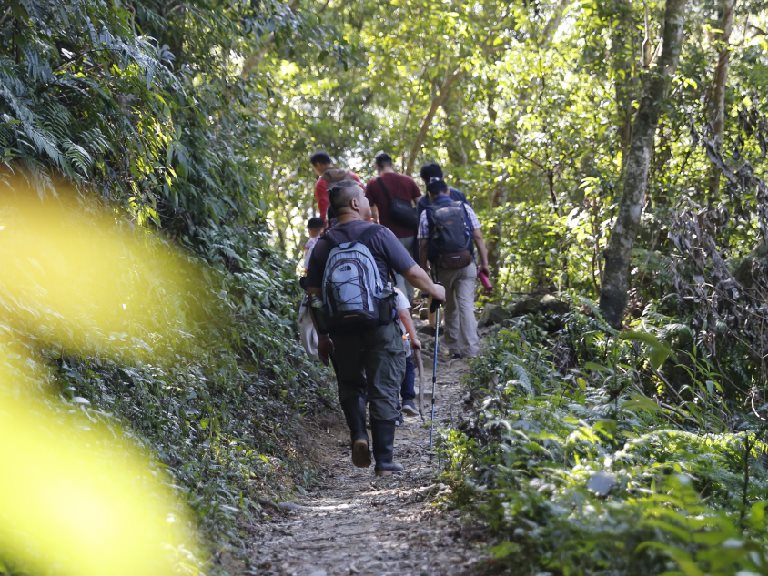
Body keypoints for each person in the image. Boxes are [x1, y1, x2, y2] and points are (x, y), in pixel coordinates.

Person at [305, 180, 445, 475]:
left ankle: (358, 434)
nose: (368, 200)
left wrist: (323, 336)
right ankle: (384, 460)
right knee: (384, 386)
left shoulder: (323, 245)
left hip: (341, 329)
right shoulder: (379, 234)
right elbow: (413, 272)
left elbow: (314, 296)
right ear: (355, 204)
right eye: (365, 197)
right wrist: (435, 290)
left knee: (350, 384)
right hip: (380, 324)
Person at [418, 178, 489, 359]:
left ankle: (454, 346)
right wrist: (484, 263)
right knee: (466, 305)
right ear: (448, 191)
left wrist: (423, 267)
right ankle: (471, 349)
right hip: (467, 263)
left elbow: (423, 244)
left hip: (444, 266)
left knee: (450, 304)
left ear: (430, 195)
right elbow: (478, 237)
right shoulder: (464, 208)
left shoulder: (427, 213)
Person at [364, 153, 421, 302]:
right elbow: (421, 204)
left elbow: (370, 210)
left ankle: (404, 308)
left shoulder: (374, 184)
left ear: (377, 166)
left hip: (389, 236)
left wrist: (376, 223)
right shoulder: (408, 181)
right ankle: (409, 300)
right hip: (411, 234)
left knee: (396, 273)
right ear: (391, 163)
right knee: (410, 268)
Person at [298, 217, 325, 358]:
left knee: (309, 321)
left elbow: (308, 268)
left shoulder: (312, 244)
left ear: (310, 230)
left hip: (315, 287)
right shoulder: (328, 241)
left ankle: (315, 353)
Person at [310, 150, 361, 224]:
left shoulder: (322, 183)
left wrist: (323, 226)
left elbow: (324, 209)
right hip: (360, 220)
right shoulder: (351, 175)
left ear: (318, 165)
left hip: (339, 225)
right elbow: (365, 197)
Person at [394, 287, 420, 419]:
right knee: (408, 367)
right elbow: (404, 315)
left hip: (374, 343)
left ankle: (392, 412)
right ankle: (408, 400)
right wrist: (414, 338)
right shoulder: (396, 292)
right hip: (400, 340)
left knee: (384, 377)